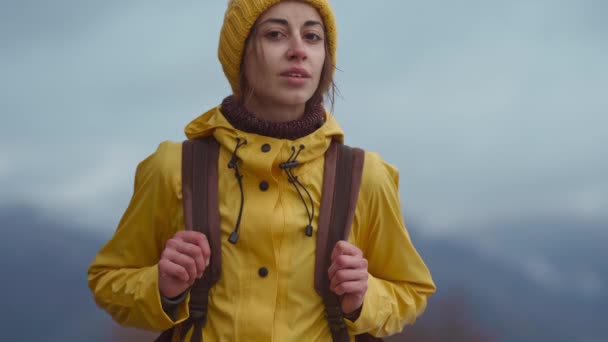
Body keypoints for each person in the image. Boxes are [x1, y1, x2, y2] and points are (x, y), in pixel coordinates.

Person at [87, 0, 436, 341]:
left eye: (313, 37)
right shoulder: (173, 168)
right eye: (275, 34)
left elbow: (411, 290)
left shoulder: (364, 176)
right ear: (239, 53)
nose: (299, 50)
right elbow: (108, 280)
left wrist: (364, 299)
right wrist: (162, 288)